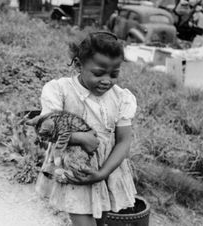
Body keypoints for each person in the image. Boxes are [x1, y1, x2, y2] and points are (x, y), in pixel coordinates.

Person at [35, 31, 137, 226]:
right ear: (79, 65)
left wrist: (102, 173)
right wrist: (81, 138)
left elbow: (124, 140)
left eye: (114, 74)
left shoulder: (121, 98)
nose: (107, 80)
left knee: (100, 222)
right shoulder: (60, 90)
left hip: (107, 171)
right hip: (75, 169)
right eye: (98, 73)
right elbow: (45, 128)